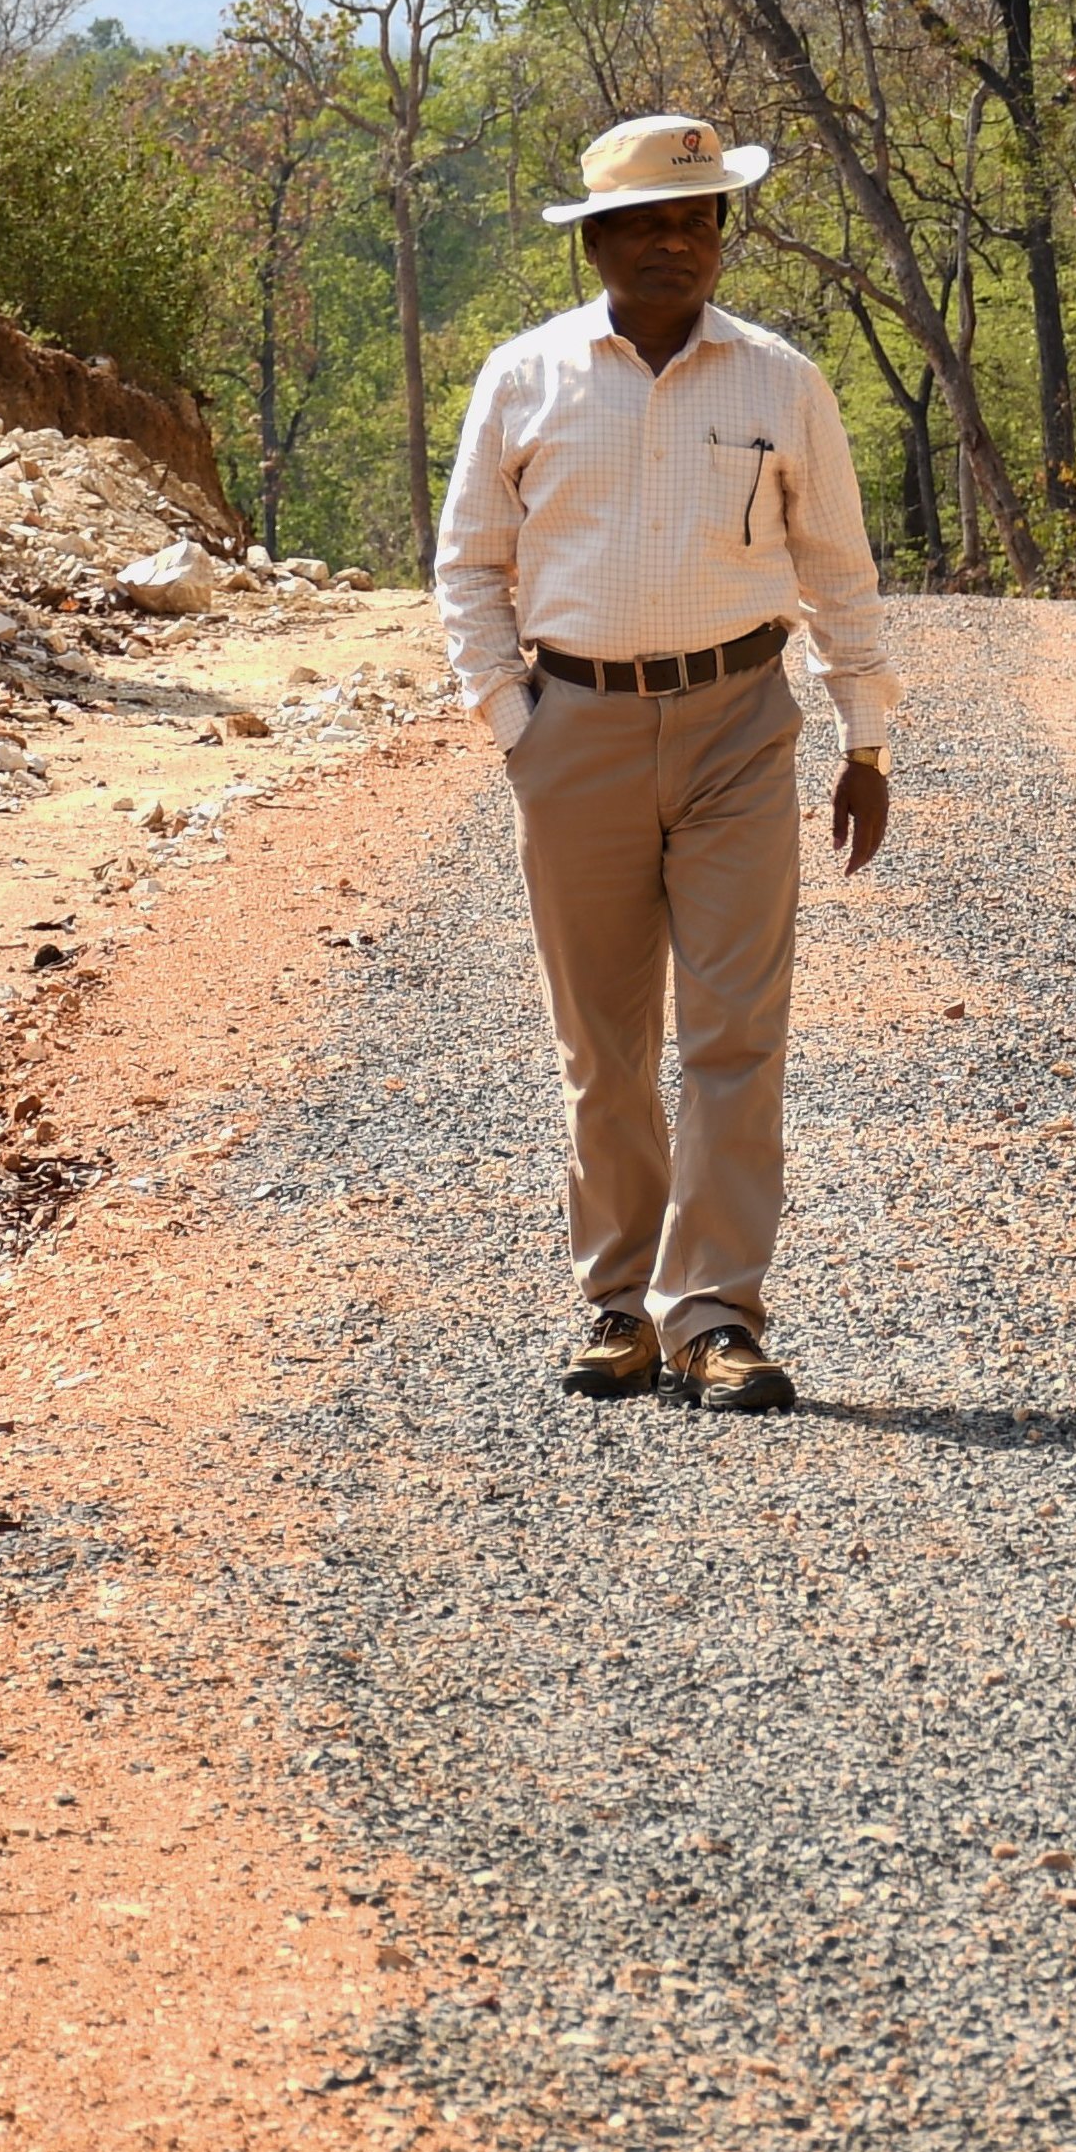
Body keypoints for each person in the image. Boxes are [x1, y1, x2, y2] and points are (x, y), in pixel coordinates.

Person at [431, 113, 897, 1415]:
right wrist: (511, 721)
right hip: (569, 728)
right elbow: (469, 562)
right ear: (595, 240)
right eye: (642, 221)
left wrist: (865, 738)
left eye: (693, 219)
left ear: (719, 236)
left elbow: (837, 567)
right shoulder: (524, 378)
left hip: (740, 724)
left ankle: (713, 1311)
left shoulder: (778, 382)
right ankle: (616, 1302)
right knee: (605, 1041)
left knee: (736, 1031)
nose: (670, 243)